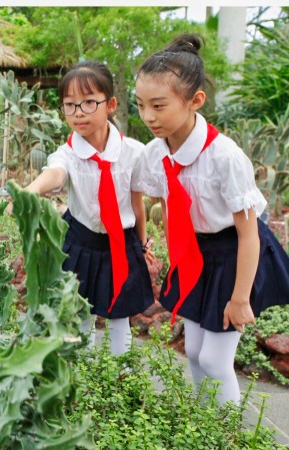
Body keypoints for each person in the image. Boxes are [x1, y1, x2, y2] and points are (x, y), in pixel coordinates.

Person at [135, 34, 289, 404]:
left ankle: (227, 435)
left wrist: (239, 299)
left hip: (235, 255)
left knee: (216, 361)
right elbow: (168, 204)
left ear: (195, 101)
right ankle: (207, 424)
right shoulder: (157, 153)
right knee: (194, 353)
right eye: (140, 105)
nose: (148, 116)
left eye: (159, 105)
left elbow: (249, 235)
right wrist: (174, 255)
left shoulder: (225, 157)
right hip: (197, 257)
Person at [26, 61, 154, 355]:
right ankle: (81, 378)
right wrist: (30, 191)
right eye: (69, 105)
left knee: (119, 316)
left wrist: (142, 241)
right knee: (78, 312)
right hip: (80, 241)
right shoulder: (68, 153)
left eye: (88, 103)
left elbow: (137, 202)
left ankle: (120, 379)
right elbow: (55, 174)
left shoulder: (134, 152)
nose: (78, 112)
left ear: (110, 104)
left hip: (121, 242)